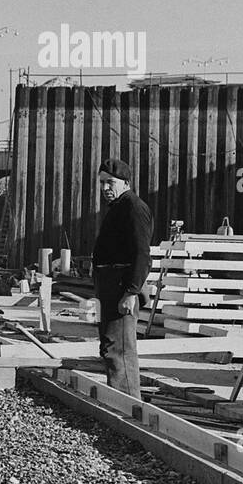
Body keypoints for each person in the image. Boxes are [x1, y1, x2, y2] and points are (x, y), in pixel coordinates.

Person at [91, 156, 153, 400]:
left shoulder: (134, 208)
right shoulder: (119, 207)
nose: (105, 188)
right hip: (111, 286)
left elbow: (142, 254)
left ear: (125, 183)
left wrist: (131, 292)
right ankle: (119, 400)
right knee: (110, 346)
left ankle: (126, 405)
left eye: (111, 183)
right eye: (102, 183)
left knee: (120, 349)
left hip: (121, 288)